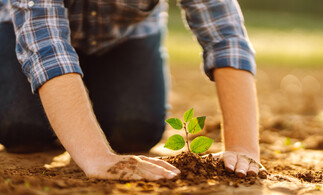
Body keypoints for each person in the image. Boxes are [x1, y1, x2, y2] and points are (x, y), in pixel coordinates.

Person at [0, 0, 262, 180]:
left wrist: (243, 148)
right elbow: (48, 47)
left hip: (125, 34)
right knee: (22, 130)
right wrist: (96, 156)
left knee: (135, 130)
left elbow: (225, 35)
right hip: (21, 29)